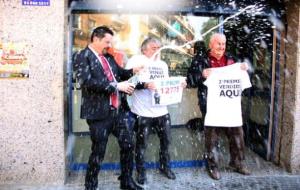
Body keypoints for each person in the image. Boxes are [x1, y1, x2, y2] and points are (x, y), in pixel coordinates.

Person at [73, 26, 143, 190]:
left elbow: (121, 73)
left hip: (117, 112)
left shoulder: (108, 57)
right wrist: (117, 86)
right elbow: (87, 83)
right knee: (98, 152)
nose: (109, 45)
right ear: (95, 39)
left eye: (110, 42)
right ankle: (90, 186)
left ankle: (126, 181)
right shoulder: (82, 56)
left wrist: (133, 71)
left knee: (128, 145)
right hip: (98, 114)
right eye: (106, 42)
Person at [187, 33, 251, 180]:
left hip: (230, 105)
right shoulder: (200, 59)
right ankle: (212, 165)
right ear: (211, 44)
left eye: (223, 44)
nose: (221, 47)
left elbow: (244, 80)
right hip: (211, 105)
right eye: (218, 44)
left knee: (237, 134)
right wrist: (201, 74)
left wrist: (244, 68)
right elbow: (190, 80)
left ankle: (237, 162)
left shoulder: (232, 59)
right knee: (212, 137)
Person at [126, 37, 177, 185]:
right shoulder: (135, 60)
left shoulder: (163, 64)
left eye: (160, 48)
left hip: (162, 111)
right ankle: (141, 172)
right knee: (141, 144)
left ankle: (165, 167)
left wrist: (177, 85)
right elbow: (129, 82)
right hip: (142, 113)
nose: (158, 50)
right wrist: (145, 85)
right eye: (154, 48)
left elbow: (165, 84)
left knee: (166, 142)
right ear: (144, 49)